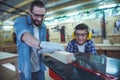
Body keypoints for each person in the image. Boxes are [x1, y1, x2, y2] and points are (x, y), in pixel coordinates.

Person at [14, 1, 64, 80]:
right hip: (25, 68)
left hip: (40, 67)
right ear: (30, 12)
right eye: (36, 15)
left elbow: (42, 47)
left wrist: (50, 51)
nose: (40, 19)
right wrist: (42, 44)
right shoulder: (20, 21)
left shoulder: (43, 26)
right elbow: (25, 36)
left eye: (42, 15)